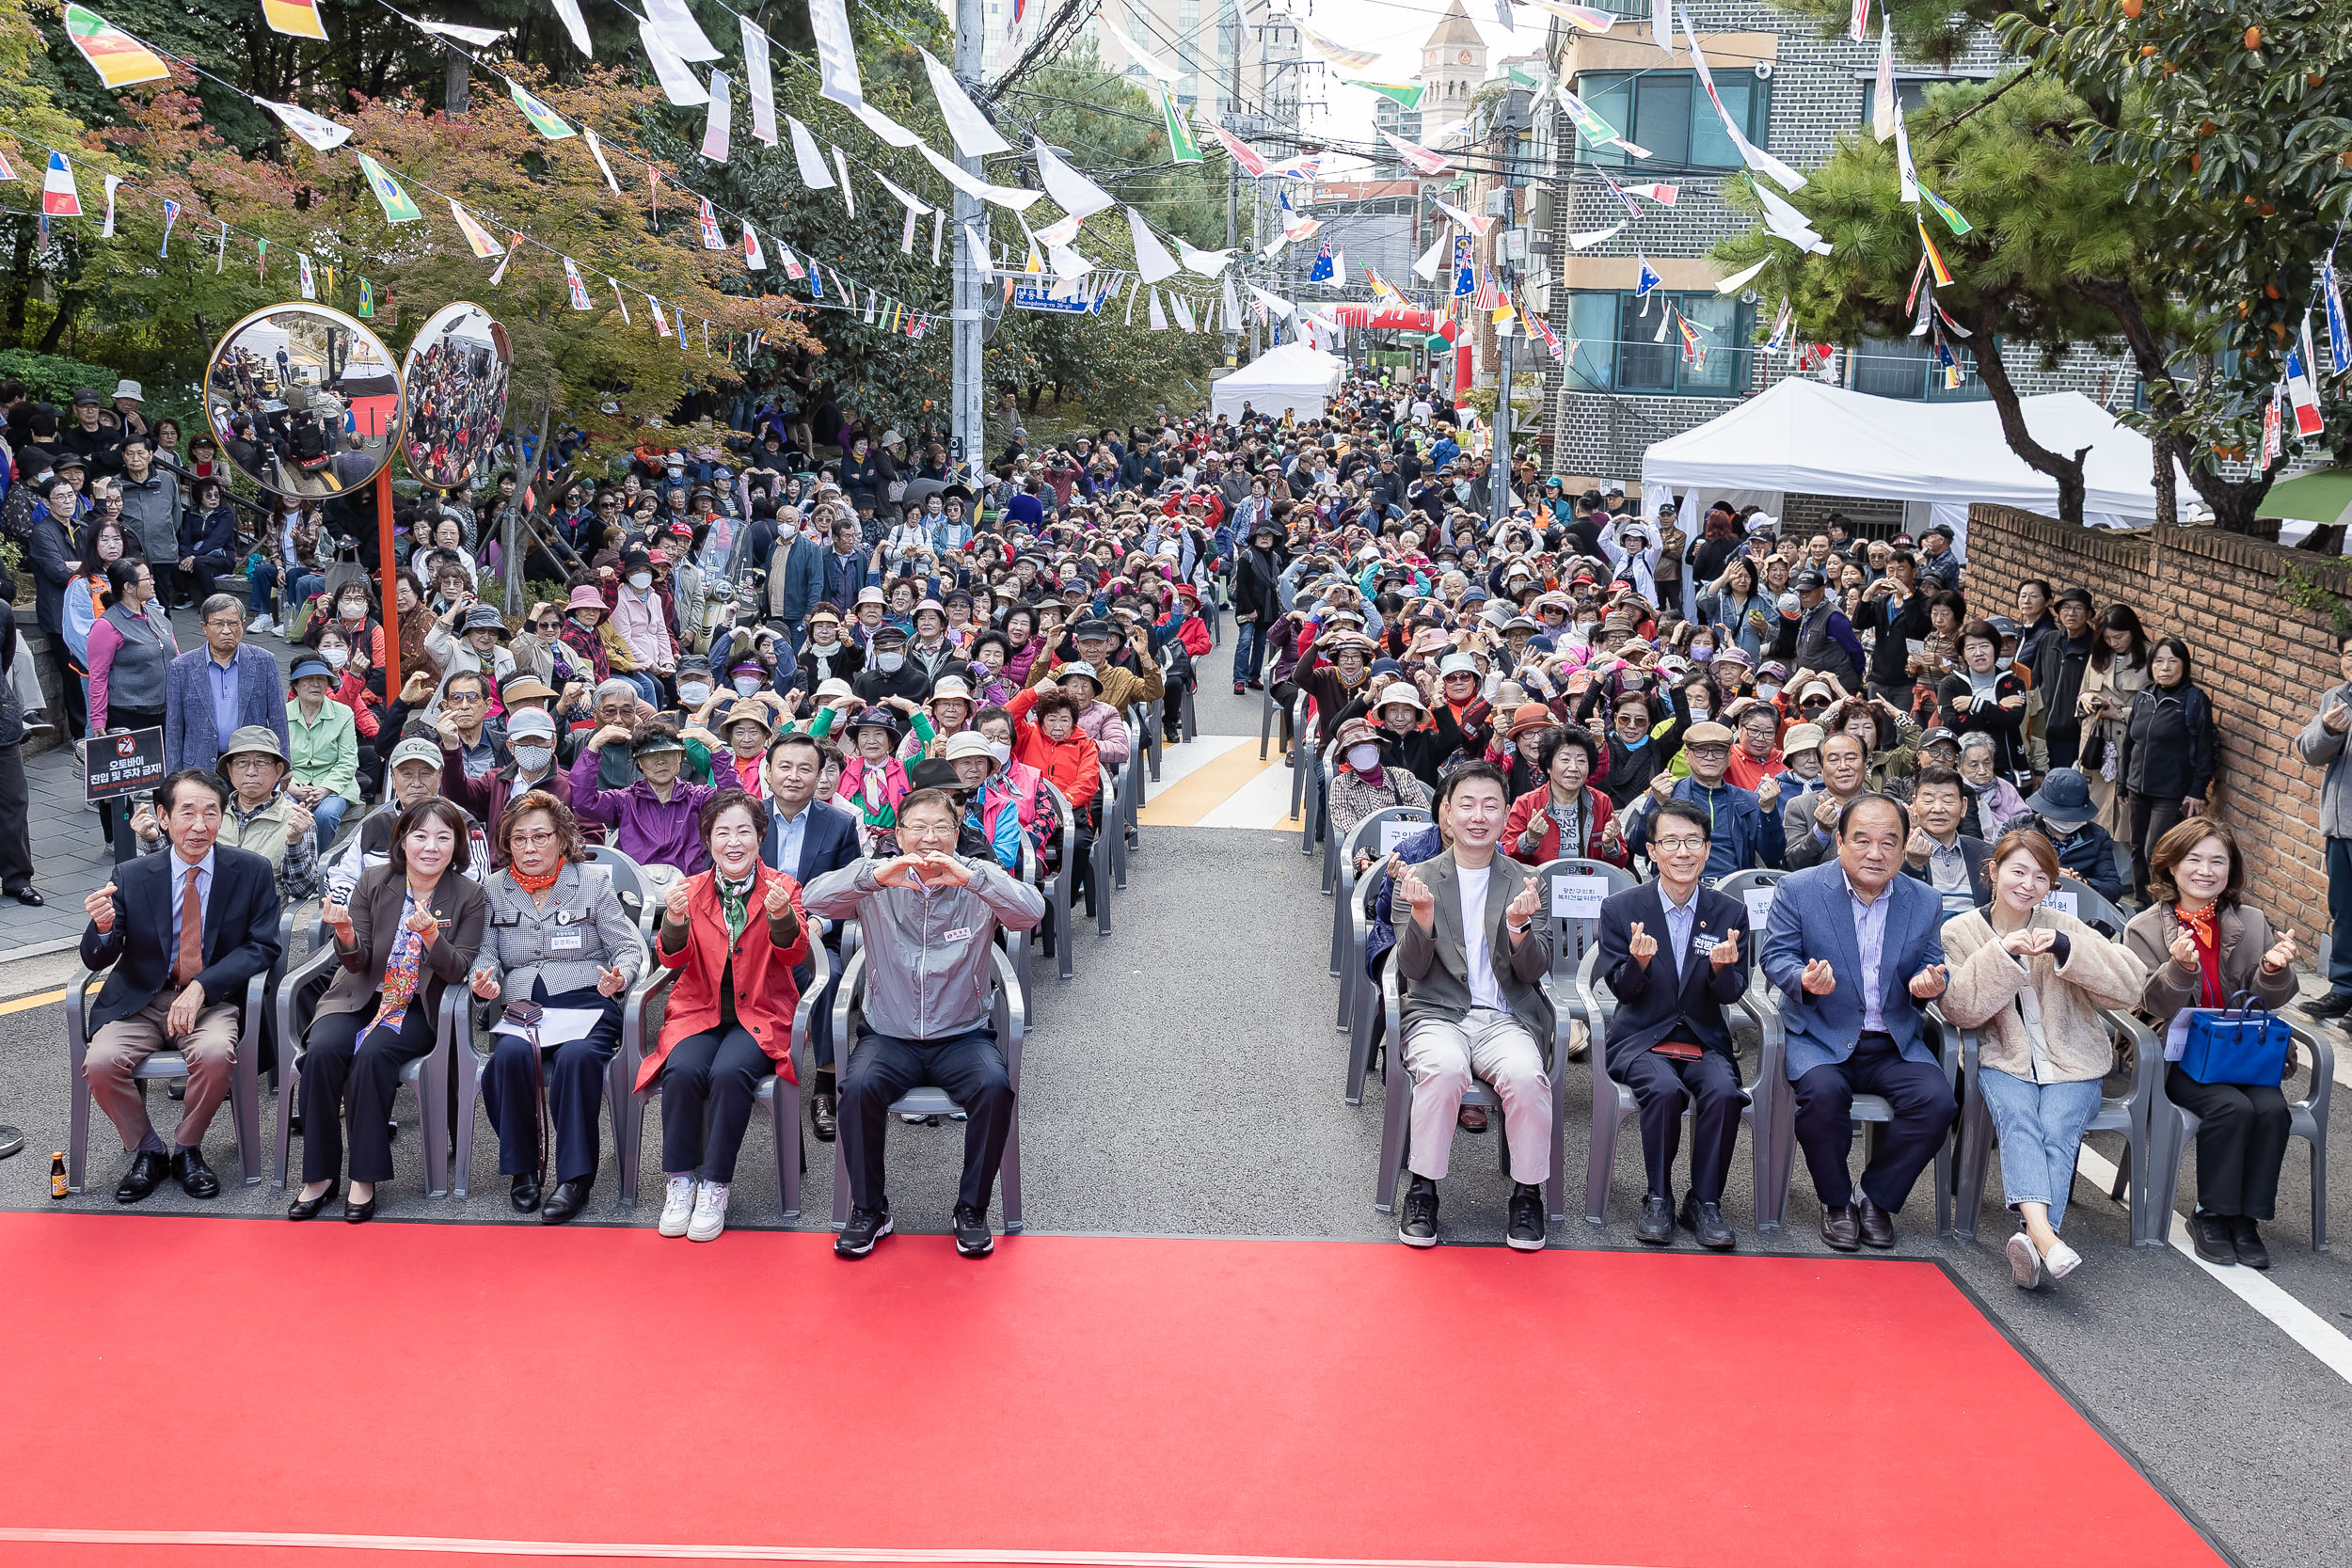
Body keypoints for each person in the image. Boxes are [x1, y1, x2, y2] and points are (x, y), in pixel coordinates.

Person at [805, 787, 1047, 1259]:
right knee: (856, 1090)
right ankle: (870, 1209)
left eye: (942, 827)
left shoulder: (978, 881)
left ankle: (972, 1209)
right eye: (918, 826)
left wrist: (974, 879)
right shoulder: (876, 882)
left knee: (995, 1087)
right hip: (889, 1034)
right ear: (899, 833)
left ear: (958, 835)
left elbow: (1031, 913)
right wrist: (874, 876)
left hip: (962, 1034)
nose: (929, 838)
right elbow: (813, 897)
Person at [1941, 830, 2149, 1289]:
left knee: (2056, 1127)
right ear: (1993, 872)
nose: (2028, 884)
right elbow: (1959, 1008)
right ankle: (2045, 1237)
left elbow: (2131, 986)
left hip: (2074, 1062)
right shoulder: (1959, 931)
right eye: (2018, 871)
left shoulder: (2065, 926)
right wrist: (2003, 952)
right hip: (2002, 1059)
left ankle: (2036, 1242)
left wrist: (2064, 947)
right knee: (2019, 1119)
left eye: (2041, 876)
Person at [1759, 794, 1957, 1252]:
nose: (1875, 853)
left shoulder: (1924, 899)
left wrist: (1930, 986)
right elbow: (1776, 956)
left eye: (1889, 842)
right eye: (1862, 840)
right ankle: (1835, 1201)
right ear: (1841, 842)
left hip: (1893, 1040)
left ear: (1905, 846)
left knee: (1937, 1103)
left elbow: (1932, 966)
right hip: (1821, 1033)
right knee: (1824, 1098)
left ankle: (1876, 1198)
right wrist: (1803, 981)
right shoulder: (1800, 889)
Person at [77, 768, 283, 1201]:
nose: (199, 825)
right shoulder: (133, 875)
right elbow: (100, 956)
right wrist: (101, 927)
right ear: (163, 817)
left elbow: (262, 947)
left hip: (212, 1001)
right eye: (186, 813)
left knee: (213, 1054)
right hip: (141, 1000)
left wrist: (203, 986)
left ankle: (188, 1147)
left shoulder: (250, 871)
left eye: (211, 813)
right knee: (100, 1062)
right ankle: (148, 1150)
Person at [290, 799, 488, 1222]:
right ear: (403, 841)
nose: (430, 847)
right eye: (420, 836)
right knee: (322, 1052)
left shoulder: (469, 895)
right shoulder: (374, 882)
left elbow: (458, 971)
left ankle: (364, 1177)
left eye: (442, 837)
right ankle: (319, 1175)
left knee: (373, 1056)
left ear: (457, 846)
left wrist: (433, 937)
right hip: (360, 994)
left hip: (418, 1005)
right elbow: (357, 962)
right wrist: (344, 932)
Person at [1388, 762, 1555, 1253]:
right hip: (1438, 1012)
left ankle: (1527, 1194)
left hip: (1505, 1016)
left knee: (1527, 1076)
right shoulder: (1418, 877)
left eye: (1490, 805)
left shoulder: (1527, 880)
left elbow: (1532, 972)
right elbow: (1412, 971)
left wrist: (1521, 929)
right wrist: (1421, 919)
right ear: (1446, 813)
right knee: (1442, 1069)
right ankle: (1423, 1189)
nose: (1478, 816)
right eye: (1466, 804)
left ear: (1507, 816)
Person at [2122, 819, 2300, 1269]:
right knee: (2231, 1108)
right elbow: (2151, 1004)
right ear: (2171, 866)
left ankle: (2247, 1219)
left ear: (2231, 869)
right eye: (2194, 860)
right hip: (2178, 1054)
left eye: (2217, 860)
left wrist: (2274, 971)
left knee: (2272, 1109)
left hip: (2240, 1052)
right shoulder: (2143, 928)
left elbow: (2269, 1001)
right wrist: (2180, 968)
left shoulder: (2252, 921)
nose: (2206, 870)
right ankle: (2211, 1214)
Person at [642, 790, 809, 1243]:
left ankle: (715, 1184)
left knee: (730, 1072)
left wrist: (780, 917)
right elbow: (672, 962)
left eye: (744, 832)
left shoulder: (783, 887)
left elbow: (795, 954)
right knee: (681, 1070)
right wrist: (673, 921)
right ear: (708, 840)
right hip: (699, 1011)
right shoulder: (691, 890)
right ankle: (680, 1180)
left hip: (761, 1011)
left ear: (760, 837)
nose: (733, 842)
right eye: (722, 833)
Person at [467, 793, 643, 1224]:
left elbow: (628, 945)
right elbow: (485, 952)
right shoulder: (494, 888)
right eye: (519, 839)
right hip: (525, 1004)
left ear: (562, 840)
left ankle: (574, 1177)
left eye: (540, 837)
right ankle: (523, 1168)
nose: (529, 848)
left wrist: (620, 975)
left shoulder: (591, 881)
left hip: (586, 998)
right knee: (505, 1060)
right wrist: (484, 979)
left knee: (578, 1059)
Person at [1597, 800, 1752, 1249]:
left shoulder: (1728, 912)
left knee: (1725, 1093)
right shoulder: (1622, 907)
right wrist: (1639, 963)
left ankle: (1705, 1201)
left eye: (1693, 842)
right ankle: (1658, 1196)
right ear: (1652, 850)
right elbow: (1622, 992)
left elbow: (1731, 994)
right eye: (1670, 842)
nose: (1682, 852)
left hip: (1703, 1037)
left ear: (1706, 851)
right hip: (1642, 1036)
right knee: (1663, 1091)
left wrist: (1724, 971)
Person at [755, 730, 864, 1142]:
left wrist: (822, 922)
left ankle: (825, 1083)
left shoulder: (839, 824)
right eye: (785, 766)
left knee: (830, 978)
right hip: (751, 934)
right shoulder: (747, 817)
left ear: (821, 774)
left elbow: (849, 890)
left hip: (813, 935)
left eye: (806, 768)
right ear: (768, 772)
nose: (795, 776)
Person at [85, 559, 178, 863]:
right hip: (126, 713)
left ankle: (164, 834)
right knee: (119, 781)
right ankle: (115, 837)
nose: (152, 582)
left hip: (161, 711)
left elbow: (175, 656)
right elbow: (97, 676)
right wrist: (98, 720)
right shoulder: (107, 625)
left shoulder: (155, 614)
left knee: (163, 780)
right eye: (146, 578)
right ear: (128, 587)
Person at [2119, 636, 2216, 903]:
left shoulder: (2194, 700)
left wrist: (2198, 790)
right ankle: (2141, 904)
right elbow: (2129, 742)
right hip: (2138, 787)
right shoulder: (2144, 696)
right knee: (2137, 848)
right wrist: (2122, 782)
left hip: (2171, 792)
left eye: (2173, 661)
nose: (2166, 667)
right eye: (2159, 661)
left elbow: (2208, 749)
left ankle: (2162, 905)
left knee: (2157, 851)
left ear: (2184, 665)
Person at [1625, 721, 1784, 880]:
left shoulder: (1748, 801)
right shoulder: (1667, 794)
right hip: (1677, 884)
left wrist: (1769, 811)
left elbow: (1772, 856)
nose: (1710, 757)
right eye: (1701, 751)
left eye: (1718, 751)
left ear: (1729, 758)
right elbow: (1639, 847)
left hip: (1733, 888)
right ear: (1687, 756)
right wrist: (1656, 803)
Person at [163, 594, 289, 775]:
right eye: (218, 624)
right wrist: (173, 775)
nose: (227, 630)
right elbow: (174, 726)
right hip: (199, 766)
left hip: (250, 766)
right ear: (204, 627)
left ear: (243, 625)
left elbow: (278, 717)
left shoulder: (264, 661)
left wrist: (284, 765)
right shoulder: (181, 666)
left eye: (233, 623)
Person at [2296, 629, 2352, 1020]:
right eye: (2348, 653)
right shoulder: (2336, 697)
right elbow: (2309, 752)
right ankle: (2345, 989)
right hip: (2341, 825)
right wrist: (2329, 730)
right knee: (2344, 911)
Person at [2016, 768, 2124, 907]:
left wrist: (2082, 883)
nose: (2065, 821)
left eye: (2071, 816)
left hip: (2079, 911)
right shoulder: (2019, 827)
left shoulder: (2097, 836)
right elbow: (1994, 872)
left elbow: (2113, 888)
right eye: (2058, 816)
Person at [1937, 619, 2029, 778]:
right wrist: (1997, 707)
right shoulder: (1950, 684)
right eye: (1971, 648)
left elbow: (2012, 720)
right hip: (1961, 769)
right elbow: (1954, 724)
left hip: (2003, 768)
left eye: (1984, 646)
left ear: (1995, 649)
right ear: (1963, 654)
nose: (1978, 653)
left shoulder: (2013, 683)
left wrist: (1974, 703)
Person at [284, 655, 359, 850]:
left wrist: (325, 789)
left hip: (335, 784)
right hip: (293, 782)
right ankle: (289, 858)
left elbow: (348, 761)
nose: (316, 685)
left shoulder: (343, 713)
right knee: (286, 810)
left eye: (321, 679)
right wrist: (291, 787)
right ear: (296, 685)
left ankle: (317, 863)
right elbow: (277, 761)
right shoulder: (282, 714)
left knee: (326, 814)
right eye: (308, 680)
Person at [1899, 766, 1990, 903]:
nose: (1938, 809)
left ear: (1963, 806)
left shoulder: (1985, 854)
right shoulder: (1896, 850)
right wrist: (1913, 865)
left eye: (1948, 800)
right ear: (1915, 806)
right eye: (1928, 800)